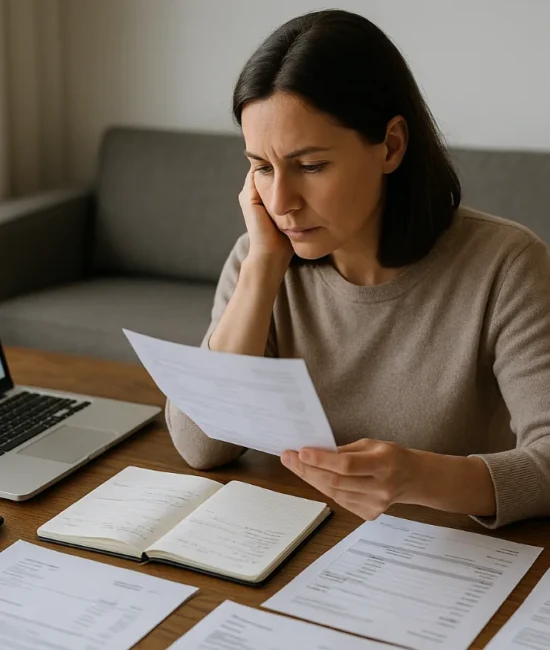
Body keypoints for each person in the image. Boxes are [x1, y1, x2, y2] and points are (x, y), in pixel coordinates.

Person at [166, 9, 550, 529]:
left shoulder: (507, 265)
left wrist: (421, 477)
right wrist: (261, 269)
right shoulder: (261, 255)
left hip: (454, 559)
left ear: (391, 145)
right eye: (261, 167)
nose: (281, 201)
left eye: (310, 166)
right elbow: (200, 445)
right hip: (304, 547)